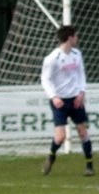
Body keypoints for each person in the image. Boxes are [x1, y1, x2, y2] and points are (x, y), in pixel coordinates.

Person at [40, 25, 93, 176]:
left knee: (83, 132)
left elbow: (81, 74)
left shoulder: (77, 54)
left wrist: (81, 92)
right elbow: (45, 79)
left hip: (76, 100)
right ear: (70, 38)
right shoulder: (52, 58)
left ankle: (89, 166)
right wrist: (54, 97)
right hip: (60, 102)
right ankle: (51, 157)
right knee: (60, 136)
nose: (77, 38)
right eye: (76, 36)